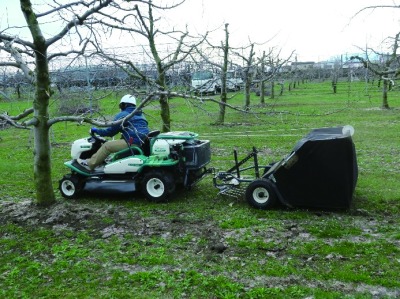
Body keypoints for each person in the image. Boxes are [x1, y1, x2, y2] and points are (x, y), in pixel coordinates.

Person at [78, 94, 150, 171]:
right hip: (141, 141)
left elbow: (110, 132)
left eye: (120, 106)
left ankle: (89, 164)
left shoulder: (123, 115)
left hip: (132, 142)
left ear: (123, 105)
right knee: (117, 141)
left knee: (107, 146)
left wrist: (96, 130)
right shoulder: (140, 114)